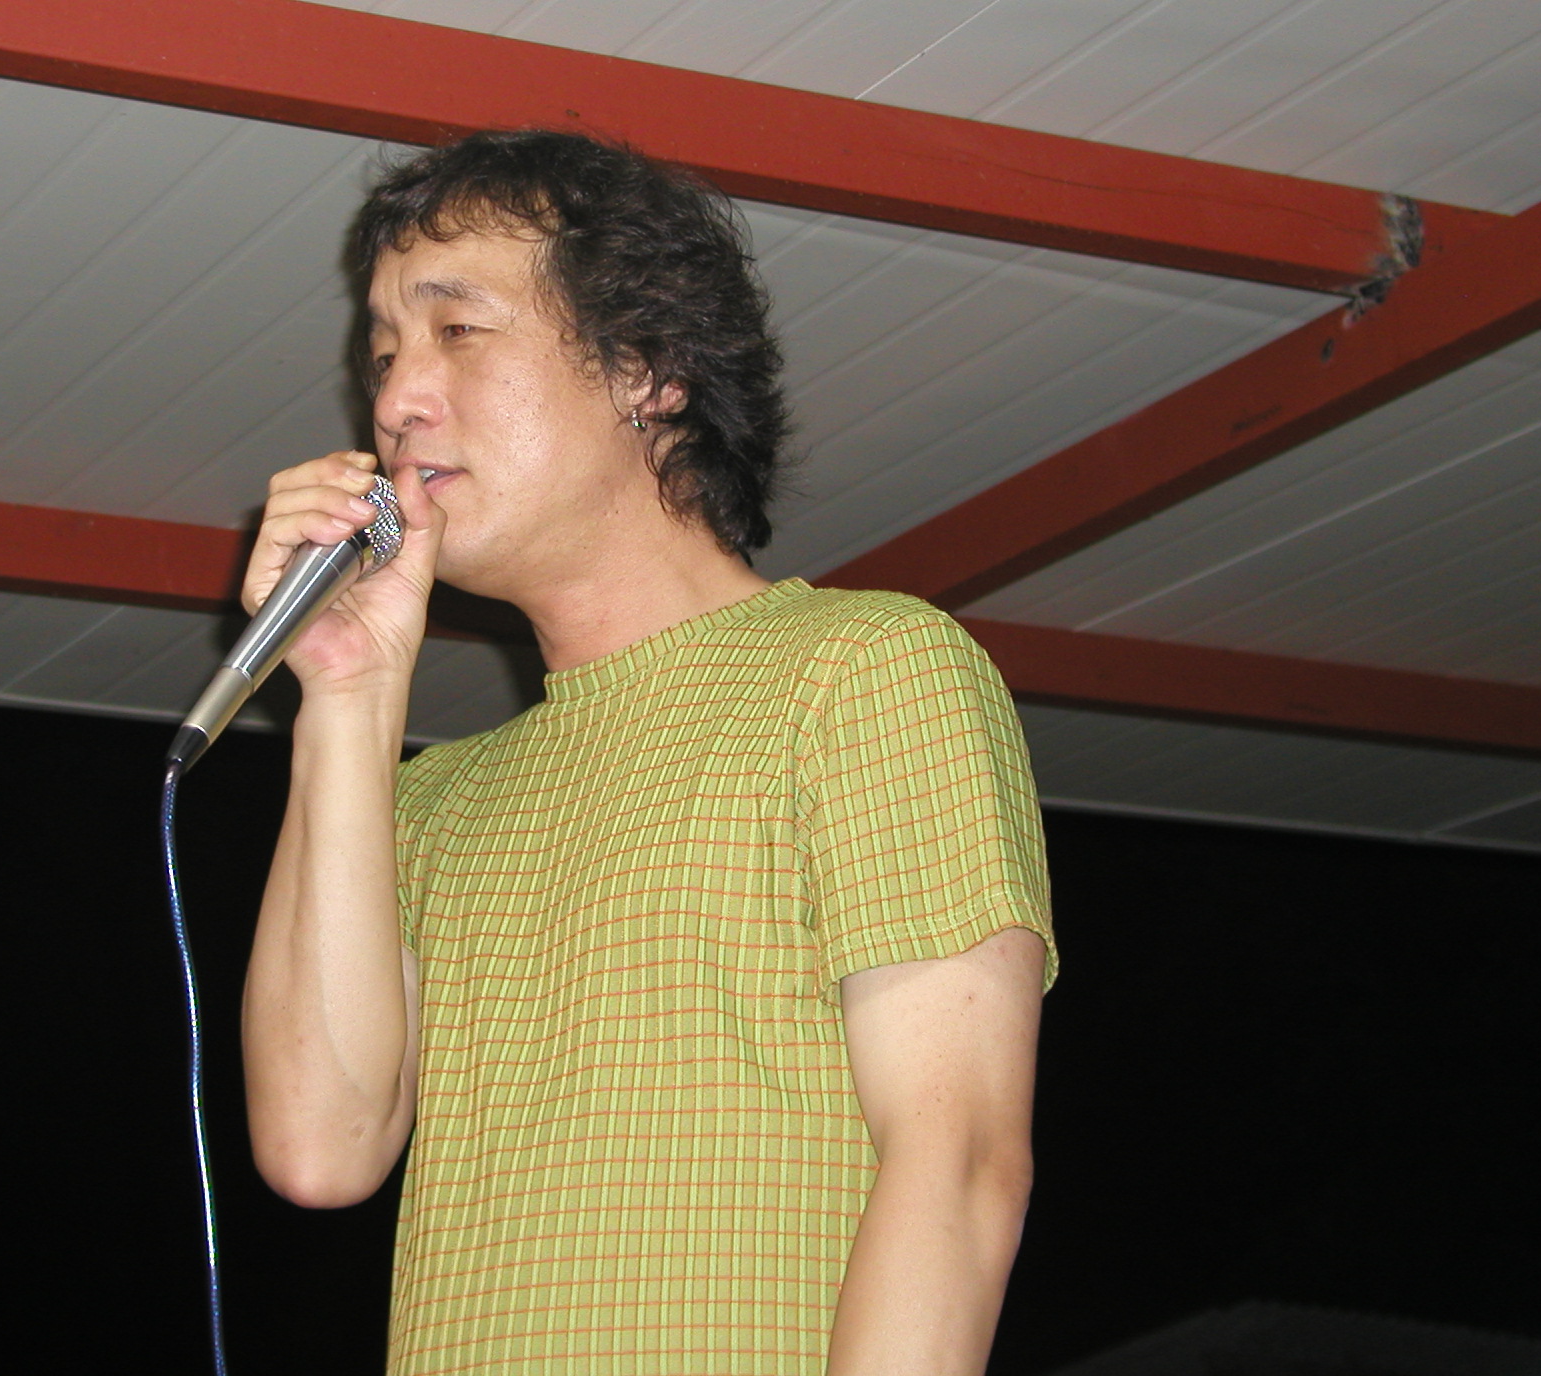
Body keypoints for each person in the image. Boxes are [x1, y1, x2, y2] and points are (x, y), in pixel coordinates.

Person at [239, 130, 1054, 1375]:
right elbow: (319, 1148)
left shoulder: (860, 669)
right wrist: (345, 695)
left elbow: (959, 1163)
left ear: (647, 369)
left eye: (458, 331)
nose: (396, 400)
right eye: (386, 353)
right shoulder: (432, 799)